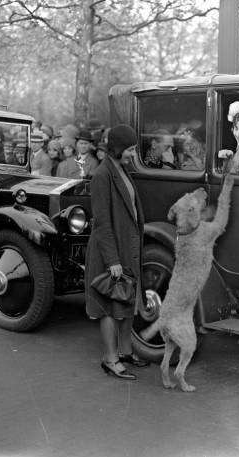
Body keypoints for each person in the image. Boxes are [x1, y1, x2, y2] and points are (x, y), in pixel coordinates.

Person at [85, 124, 149, 380]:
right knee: (110, 307)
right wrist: (112, 260)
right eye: (130, 149)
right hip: (109, 252)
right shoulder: (102, 175)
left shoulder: (120, 170)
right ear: (118, 148)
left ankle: (124, 352)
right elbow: (102, 223)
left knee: (125, 303)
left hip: (125, 248)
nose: (133, 154)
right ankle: (110, 359)